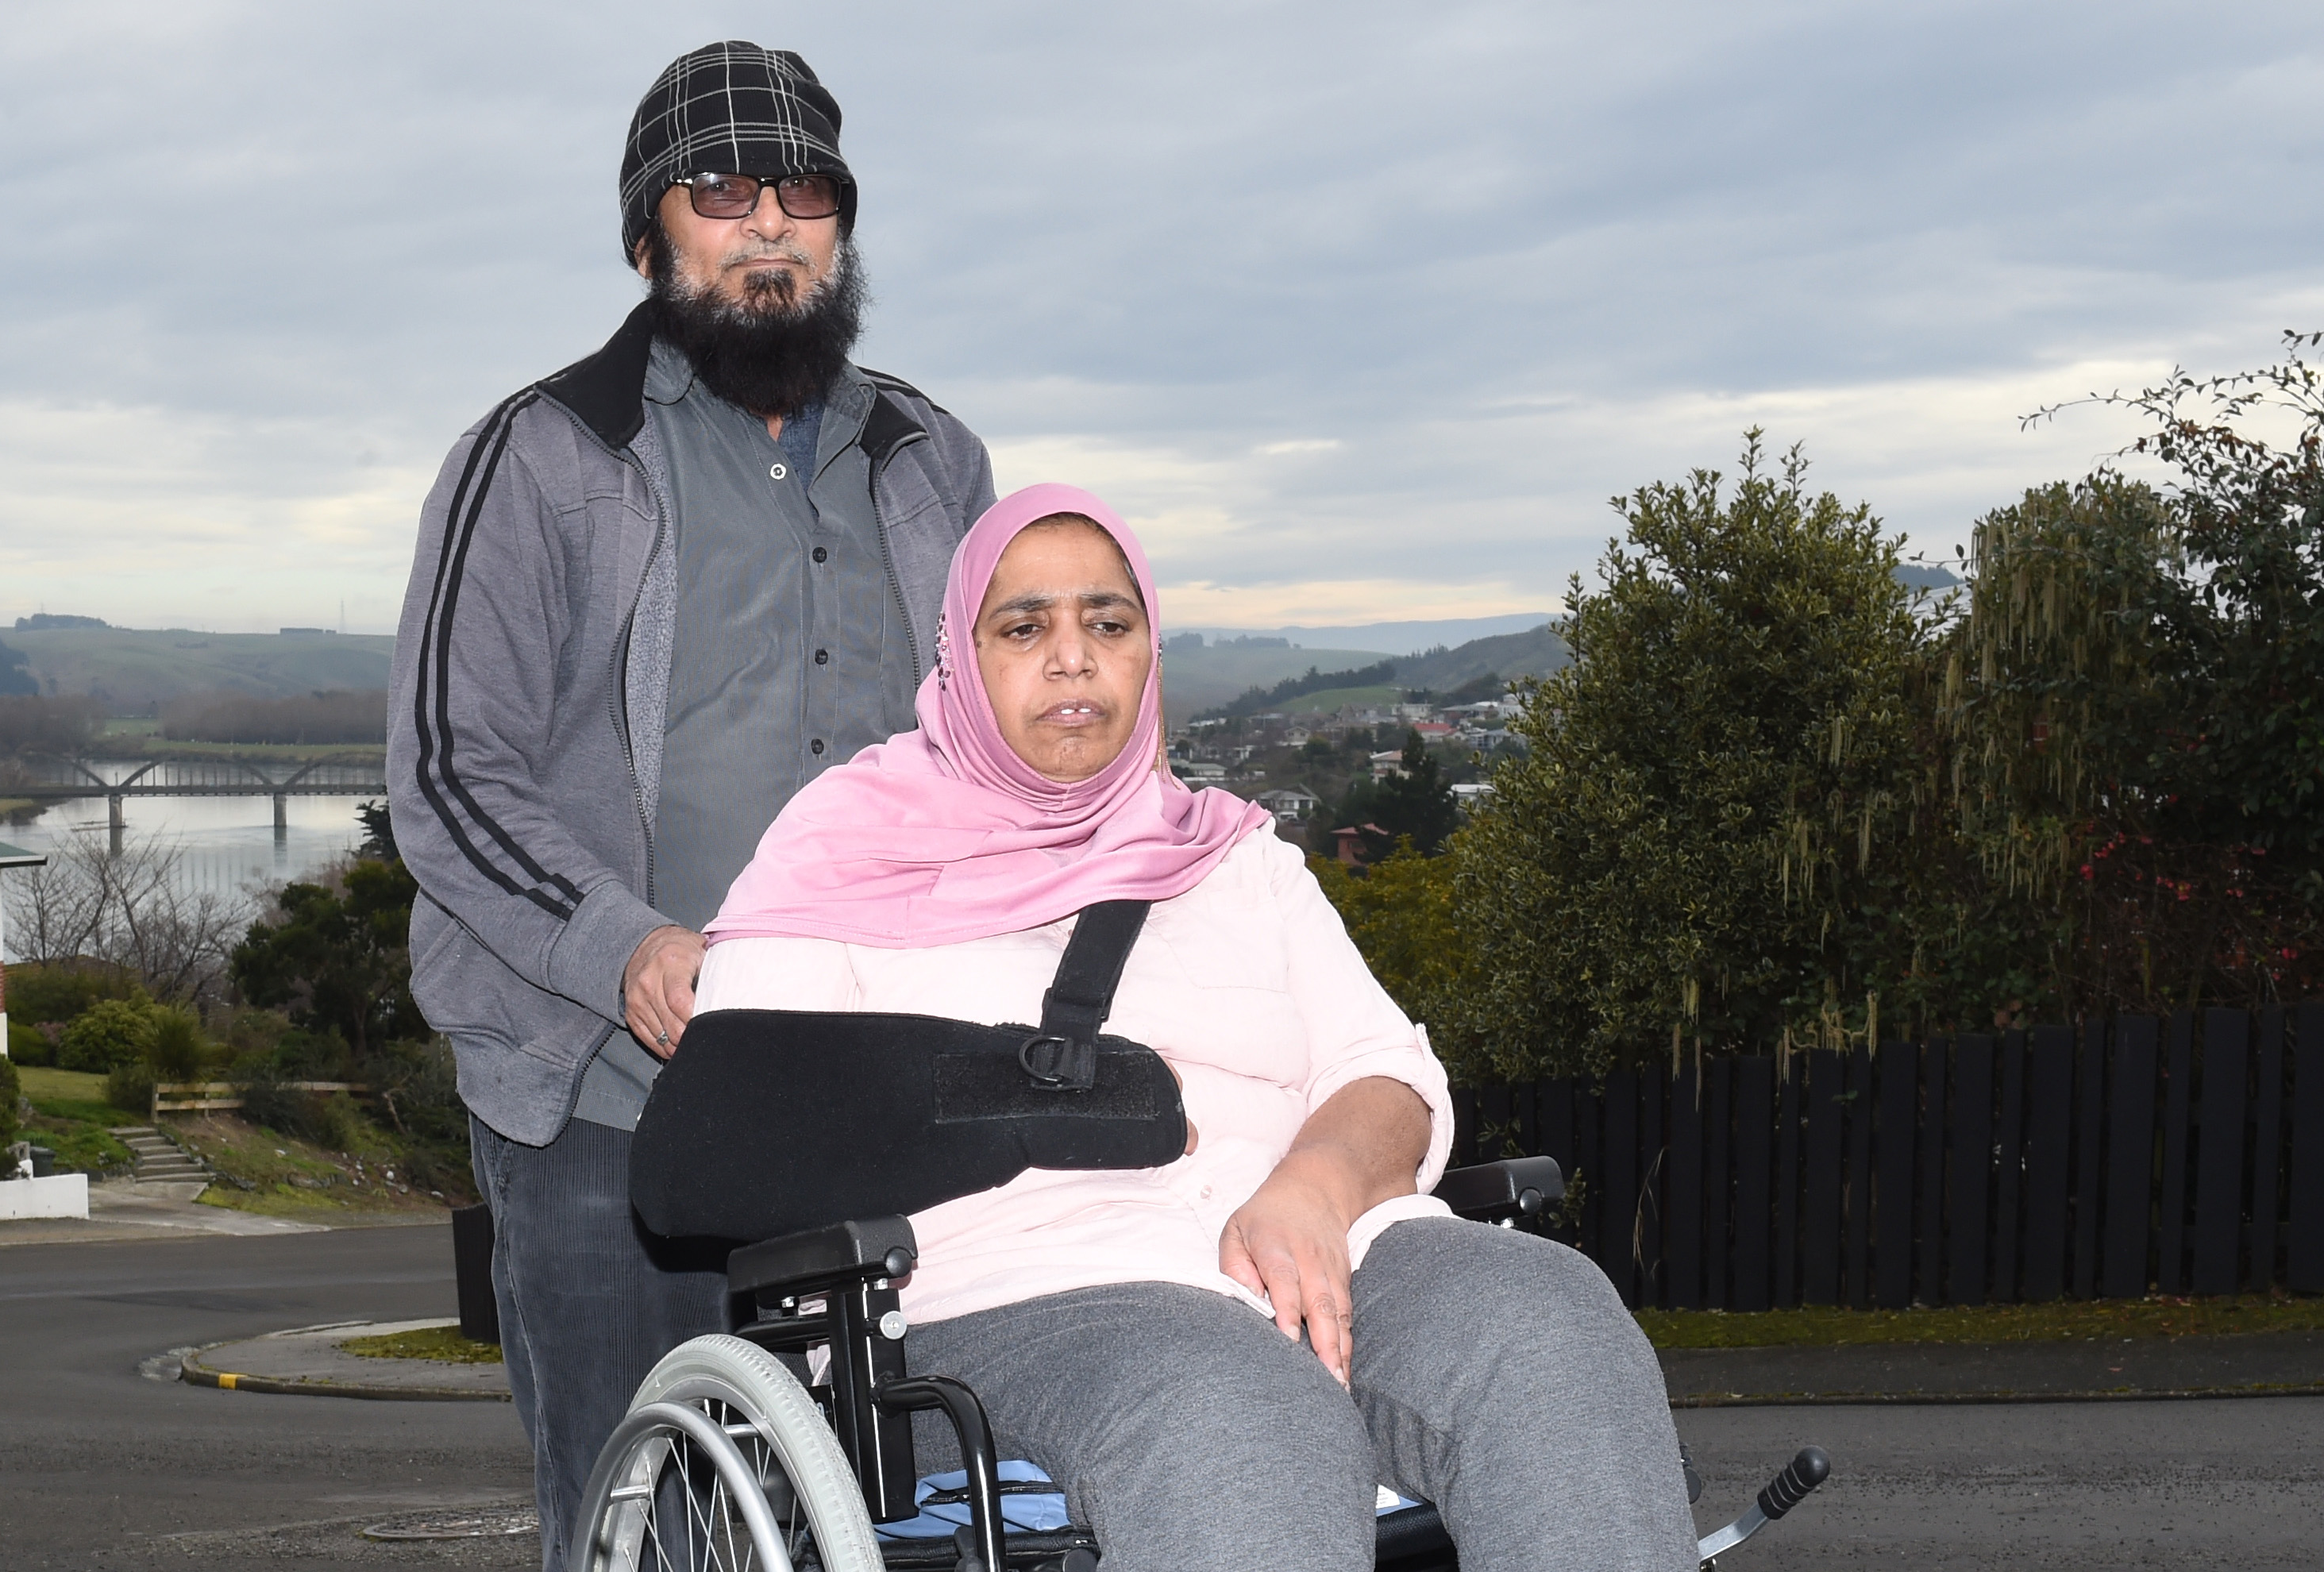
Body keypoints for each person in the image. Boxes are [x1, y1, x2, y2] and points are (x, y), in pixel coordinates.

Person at [692, 484, 1698, 1572]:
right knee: (1242, 1415)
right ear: (961, 658)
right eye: (1024, 626)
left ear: (1146, 654)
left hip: (1314, 1254)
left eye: (1109, 624)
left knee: (1548, 1323)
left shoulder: (1233, 858)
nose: (1072, 658)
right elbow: (740, 1128)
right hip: (1007, 1297)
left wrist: (1314, 1184)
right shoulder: (837, 852)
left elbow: (1383, 1070)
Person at [383, 40, 996, 1568]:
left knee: (891, 1514)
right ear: (649, 232)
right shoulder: (539, 458)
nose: (768, 222)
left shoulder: (933, 459)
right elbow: (449, 774)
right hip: (605, 1095)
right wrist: (628, 945)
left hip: (873, 1090)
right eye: (720, 190)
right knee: (636, 1517)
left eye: (806, 190)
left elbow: (998, 750)